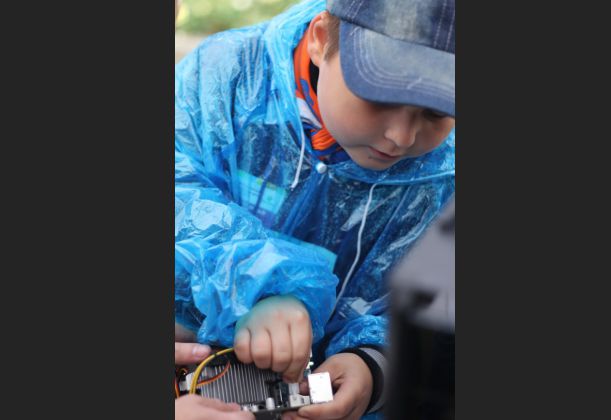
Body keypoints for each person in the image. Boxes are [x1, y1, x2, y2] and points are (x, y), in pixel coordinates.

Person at [175, 1, 455, 418]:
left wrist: (373, 366)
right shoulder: (228, 76)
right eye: (380, 97)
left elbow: (439, 304)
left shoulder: (445, 176)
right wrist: (259, 282)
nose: (401, 136)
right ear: (321, 40)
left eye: (436, 112)